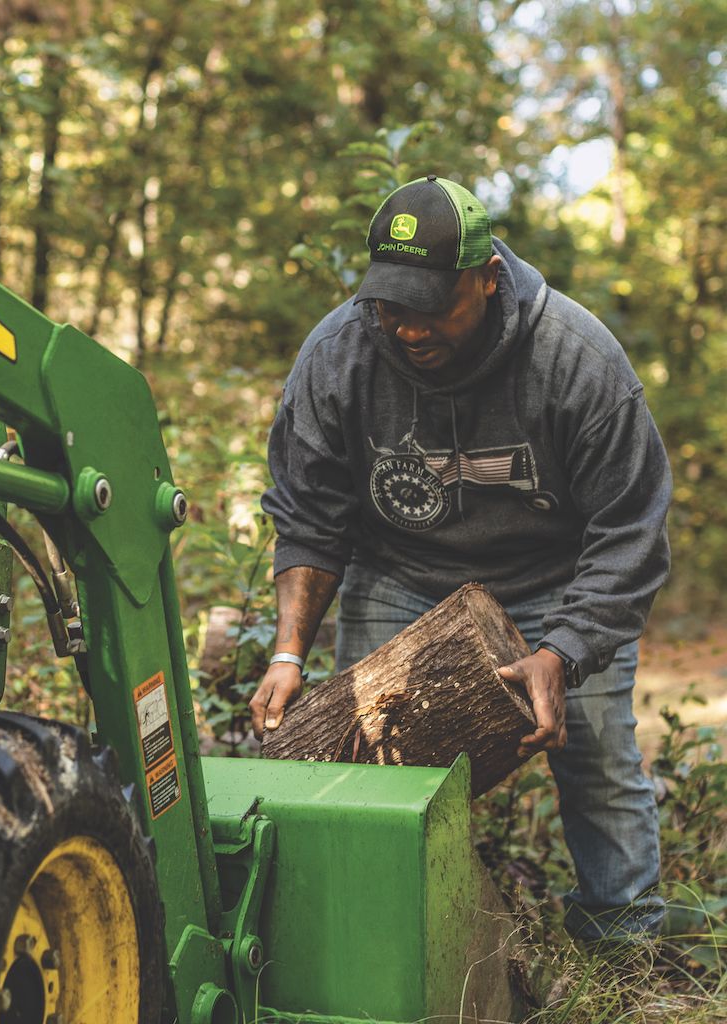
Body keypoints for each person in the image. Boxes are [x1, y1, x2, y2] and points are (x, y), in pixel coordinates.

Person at [249, 175, 672, 942]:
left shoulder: (578, 362)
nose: (408, 329)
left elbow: (631, 533)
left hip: (558, 580)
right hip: (399, 572)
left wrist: (565, 650)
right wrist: (287, 652)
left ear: (487, 279)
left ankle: (625, 941)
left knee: (599, 759)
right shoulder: (338, 356)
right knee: (369, 764)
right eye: (391, 304)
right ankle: (384, 939)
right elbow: (311, 514)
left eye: (432, 306)